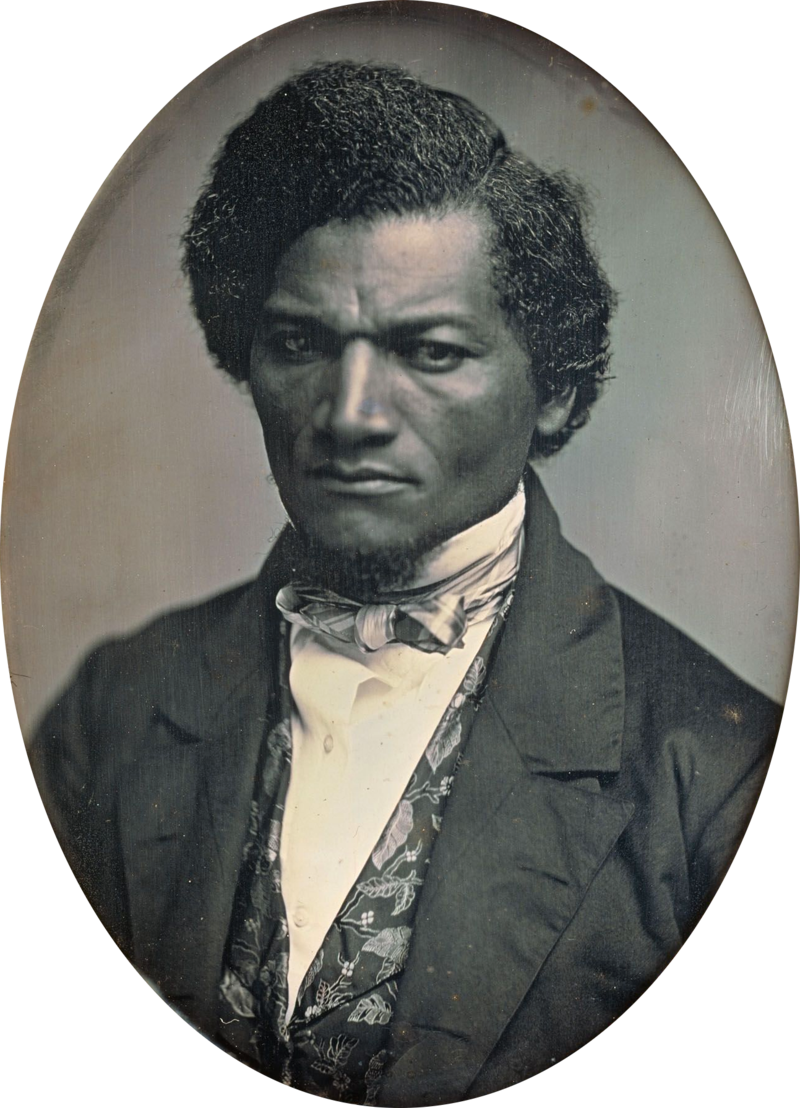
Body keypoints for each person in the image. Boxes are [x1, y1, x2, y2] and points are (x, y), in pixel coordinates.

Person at [29, 61, 780, 1105]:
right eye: (299, 343)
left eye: (427, 351)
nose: (349, 414)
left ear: (556, 394)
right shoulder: (112, 710)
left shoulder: (715, 776)